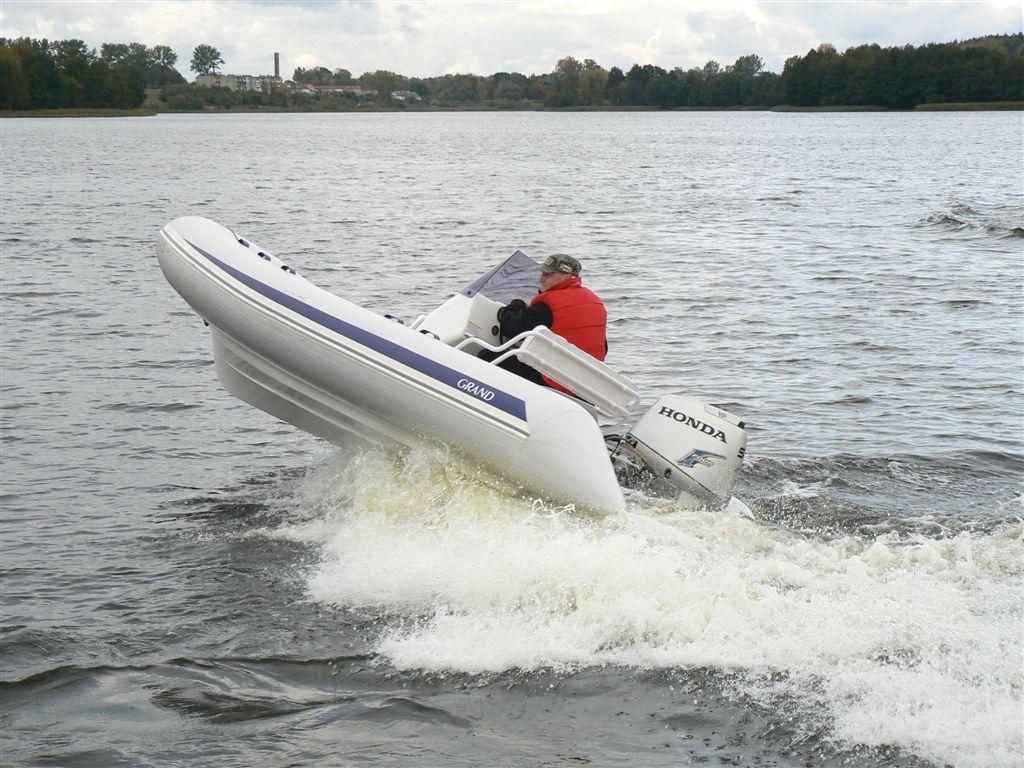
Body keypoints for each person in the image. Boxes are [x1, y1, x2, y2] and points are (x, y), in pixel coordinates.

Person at [488, 253, 608, 393]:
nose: (541, 279)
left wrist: (517, 304)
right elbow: (601, 346)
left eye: (548, 275)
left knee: (485, 354)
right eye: (542, 274)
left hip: (554, 381)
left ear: (566, 277)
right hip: (585, 386)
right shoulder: (594, 302)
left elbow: (510, 327)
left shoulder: (548, 305)